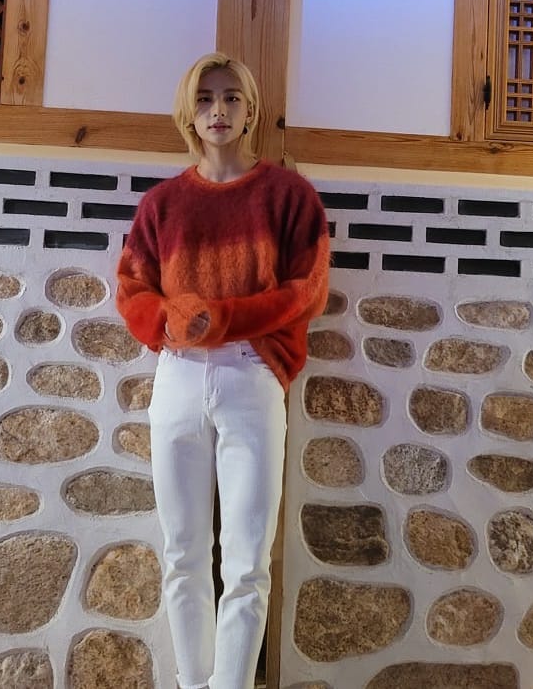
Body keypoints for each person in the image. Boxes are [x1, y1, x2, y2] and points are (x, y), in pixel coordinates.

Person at [116, 52, 329, 689]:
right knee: (182, 553)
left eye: (232, 97)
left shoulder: (289, 196)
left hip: (251, 373)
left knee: (248, 560)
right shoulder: (163, 204)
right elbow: (132, 289)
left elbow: (307, 290)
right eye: (206, 98)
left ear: (251, 110)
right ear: (189, 111)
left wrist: (221, 318)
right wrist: (175, 320)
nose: (219, 110)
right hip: (178, 374)